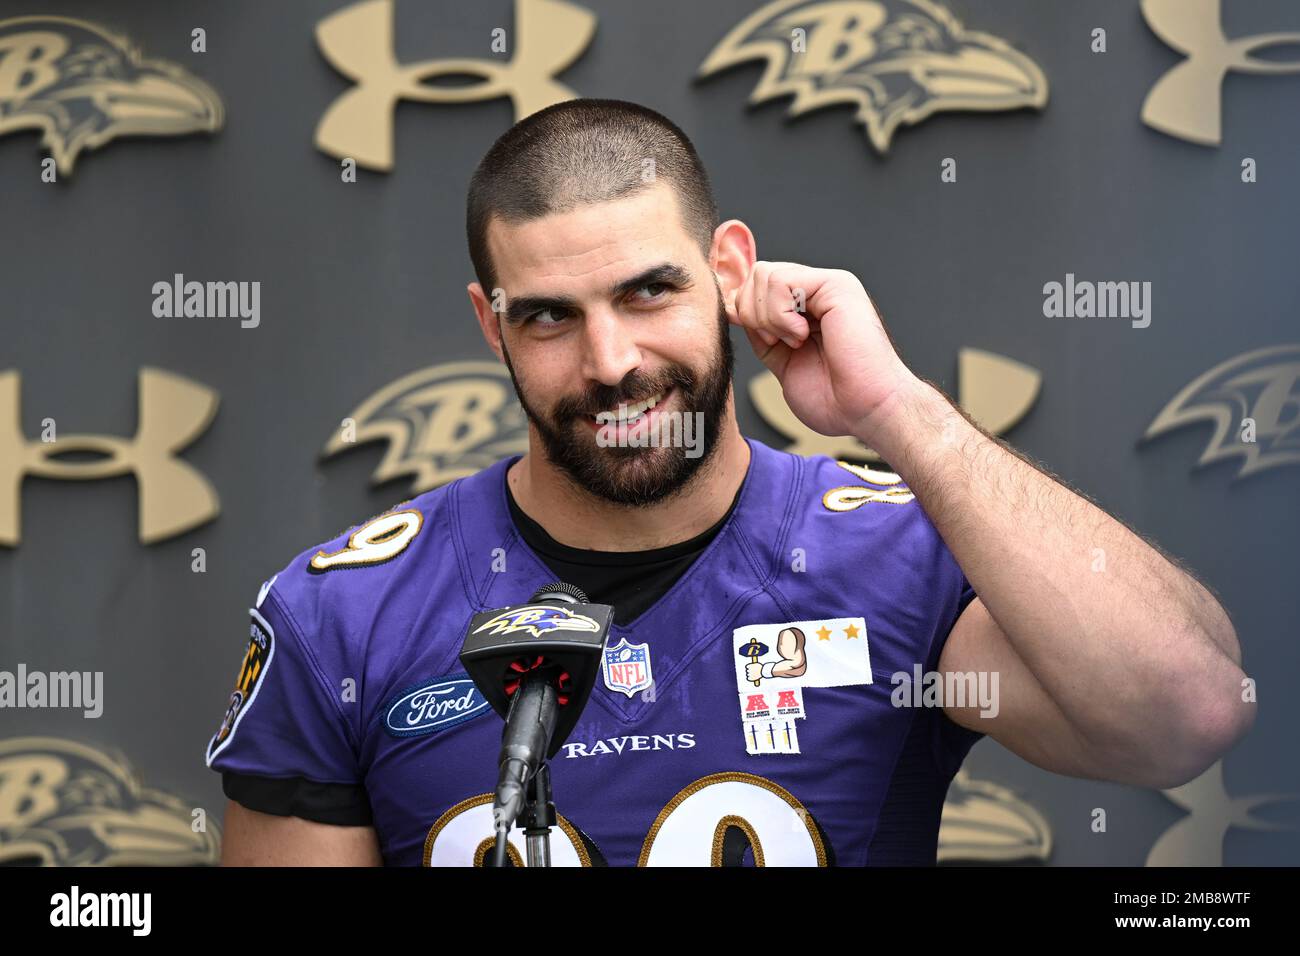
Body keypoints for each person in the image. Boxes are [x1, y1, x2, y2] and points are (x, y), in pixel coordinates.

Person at [207, 98, 1252, 866]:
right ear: (491, 327)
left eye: (649, 290)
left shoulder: (889, 557)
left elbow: (1187, 714)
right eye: (549, 315)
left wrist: (898, 409)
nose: (611, 358)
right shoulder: (341, 612)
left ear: (727, 269)